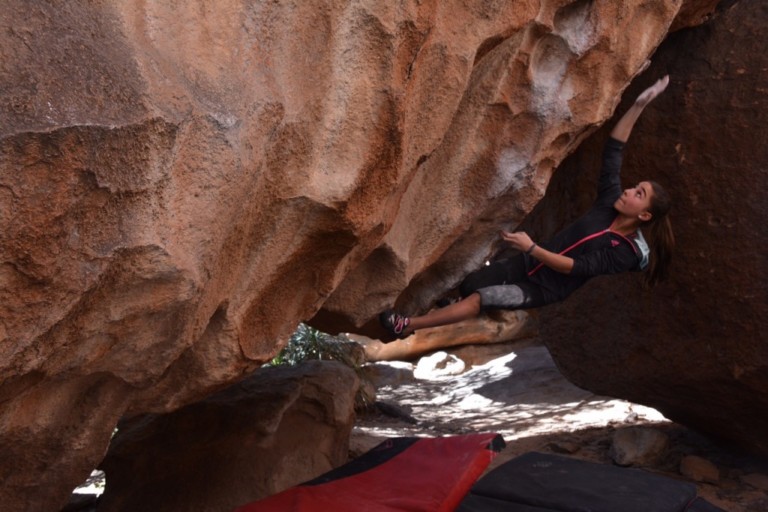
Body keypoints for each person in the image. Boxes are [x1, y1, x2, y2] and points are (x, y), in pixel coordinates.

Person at [380, 75, 674, 340]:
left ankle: (406, 326)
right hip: (529, 262)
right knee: (471, 284)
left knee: (482, 297)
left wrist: (531, 248)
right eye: (635, 186)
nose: (628, 190)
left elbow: (576, 268)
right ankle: (453, 306)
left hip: (544, 287)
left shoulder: (625, 253)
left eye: (639, 193)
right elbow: (614, 150)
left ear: (644, 214)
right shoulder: (608, 203)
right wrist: (639, 104)